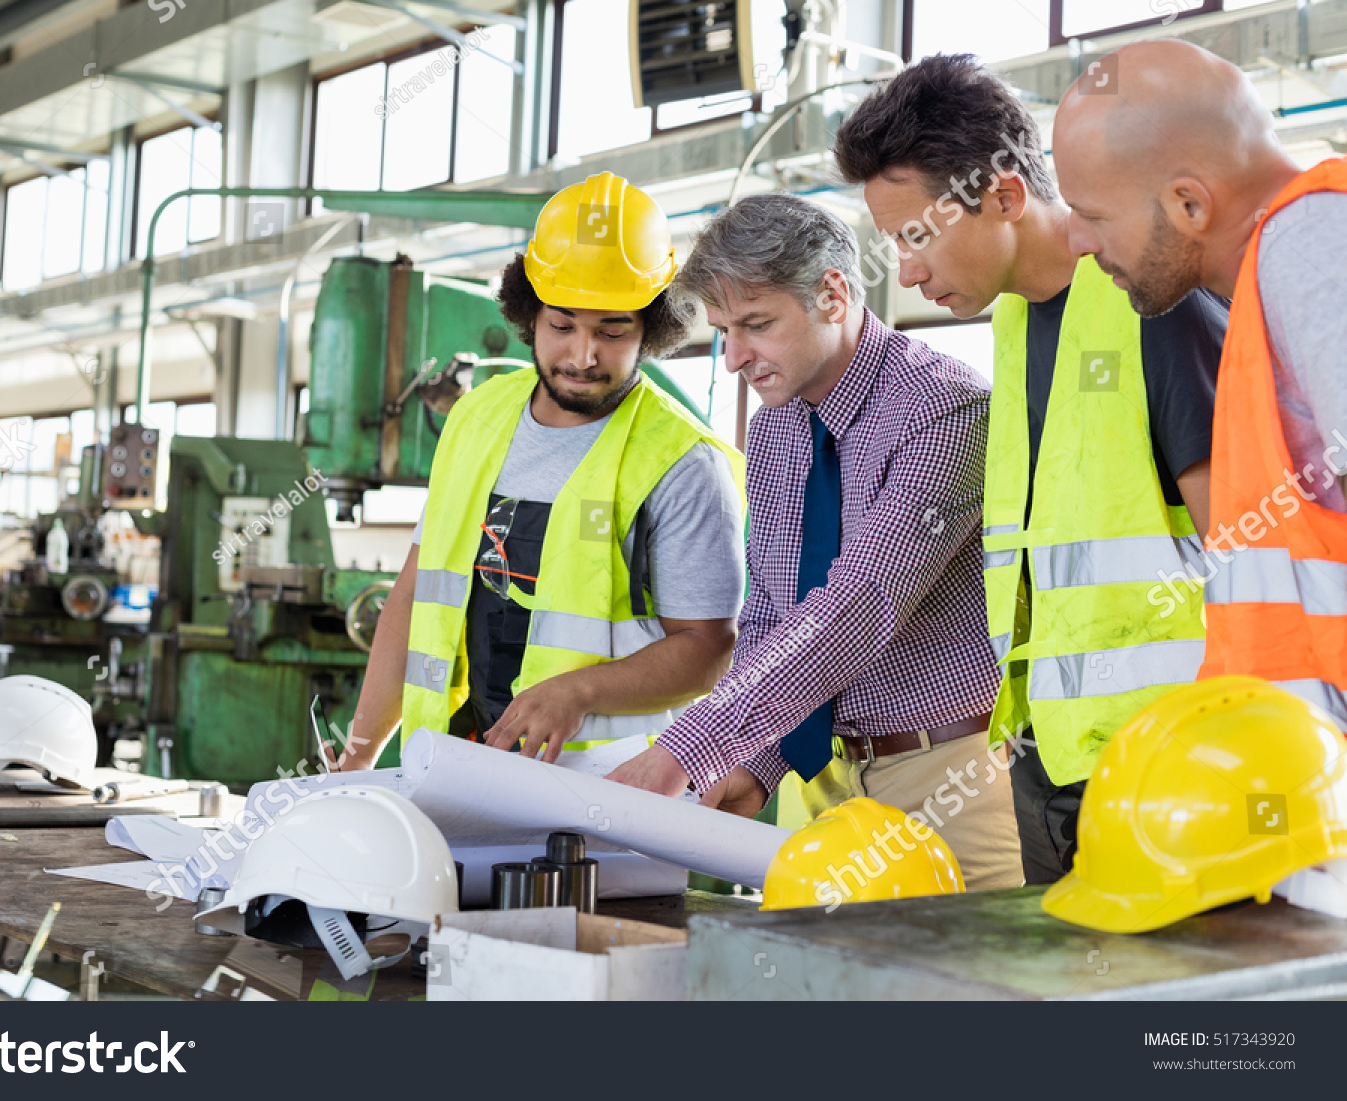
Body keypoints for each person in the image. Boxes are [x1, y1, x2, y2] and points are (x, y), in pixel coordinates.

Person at [832, 55, 1225, 884]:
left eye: (916, 237)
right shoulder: (1010, 326)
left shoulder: (1157, 305)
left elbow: (1251, 554)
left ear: (1005, 196)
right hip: (1046, 764)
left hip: (1175, 769)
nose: (905, 270)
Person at [607, 192, 1023, 891]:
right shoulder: (774, 427)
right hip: (826, 779)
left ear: (833, 294)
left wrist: (690, 747)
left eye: (756, 325)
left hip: (951, 779)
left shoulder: (945, 408)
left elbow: (858, 605)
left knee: (973, 961)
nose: (734, 358)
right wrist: (753, 762)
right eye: (723, 331)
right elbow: (772, 615)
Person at [328, 171, 747, 771]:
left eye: (612, 331)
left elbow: (708, 651)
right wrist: (358, 757)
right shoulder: (476, 417)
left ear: (652, 328)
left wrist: (579, 692)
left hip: (607, 788)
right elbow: (415, 596)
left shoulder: (682, 463)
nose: (583, 355)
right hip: (454, 764)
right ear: (530, 314)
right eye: (562, 325)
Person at [1052, 40, 1347, 728]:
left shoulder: (1312, 247)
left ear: (1188, 203)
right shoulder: (1280, 268)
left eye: (1092, 214)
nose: (1077, 243)